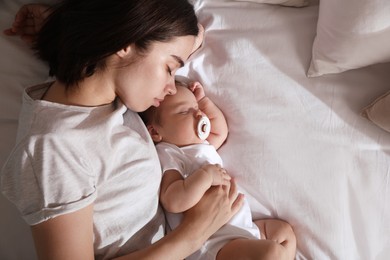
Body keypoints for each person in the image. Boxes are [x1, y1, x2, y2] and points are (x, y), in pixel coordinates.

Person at [1, 1, 244, 259]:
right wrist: (195, 233)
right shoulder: (54, 148)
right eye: (170, 68)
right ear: (125, 44)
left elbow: (192, 34)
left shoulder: (112, 92)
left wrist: (60, 23)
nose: (173, 87)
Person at [140, 80, 297, 260]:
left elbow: (219, 132)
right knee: (272, 252)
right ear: (155, 132)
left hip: (243, 228)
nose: (198, 113)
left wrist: (204, 100)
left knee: (284, 233)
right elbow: (173, 200)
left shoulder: (203, 145)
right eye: (184, 111)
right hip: (215, 242)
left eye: (196, 108)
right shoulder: (171, 153)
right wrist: (205, 177)